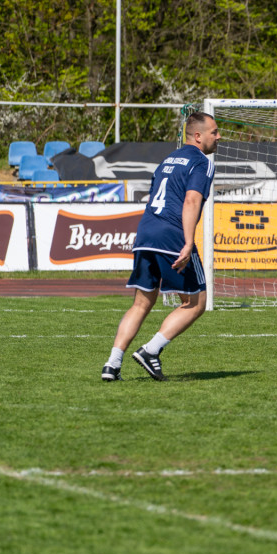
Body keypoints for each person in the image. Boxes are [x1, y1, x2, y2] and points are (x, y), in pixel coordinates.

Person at [101, 111, 220, 381]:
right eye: (214, 132)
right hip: (172, 235)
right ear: (198, 136)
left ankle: (112, 364)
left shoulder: (167, 159)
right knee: (197, 302)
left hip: (146, 231)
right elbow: (191, 201)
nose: (219, 136)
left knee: (142, 302)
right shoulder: (202, 162)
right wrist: (188, 242)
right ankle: (151, 351)